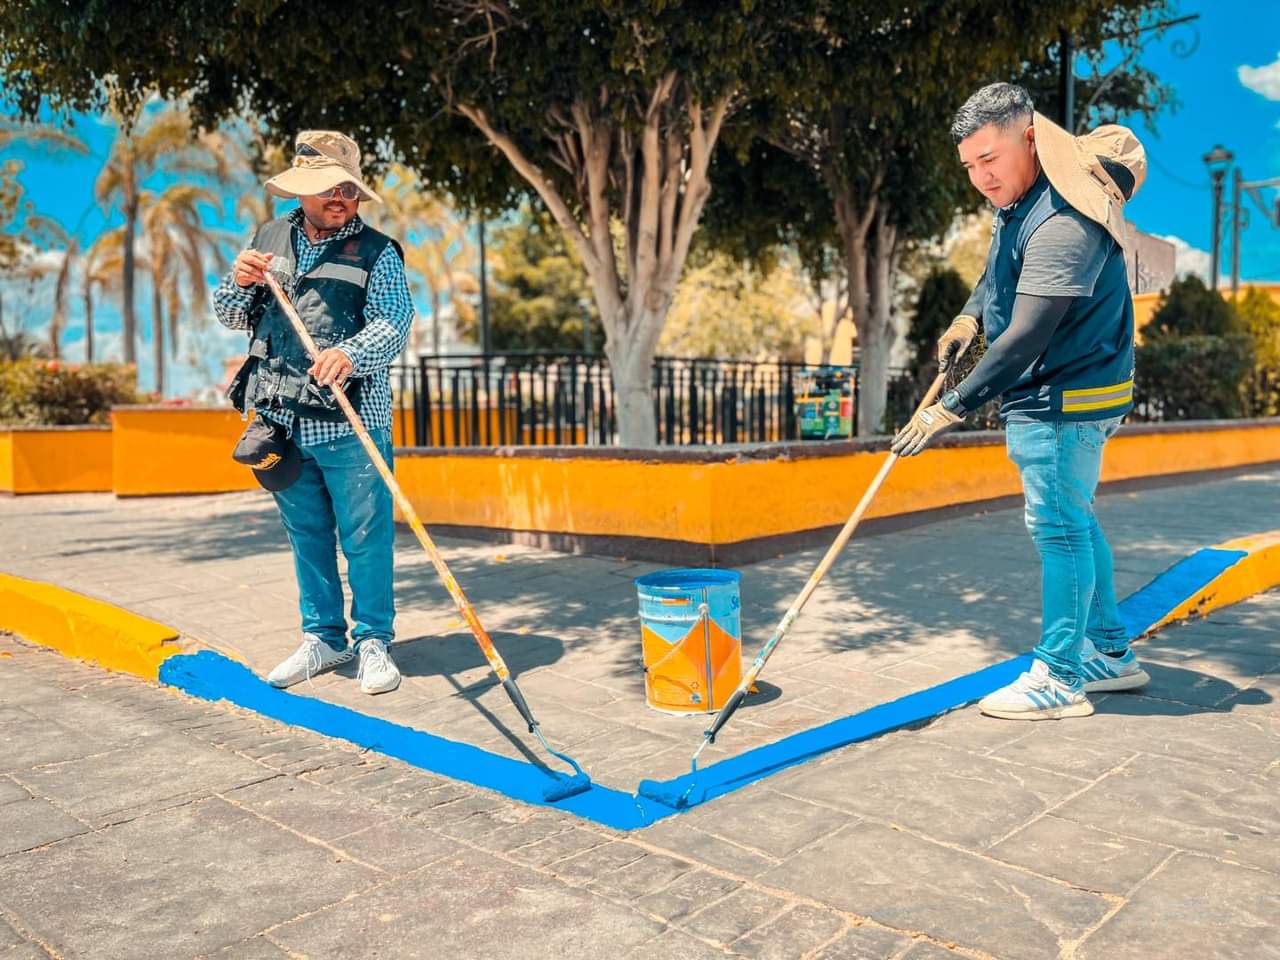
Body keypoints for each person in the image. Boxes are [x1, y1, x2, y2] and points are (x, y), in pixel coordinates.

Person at [891, 82, 1151, 720]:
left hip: (1064, 396)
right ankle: (1112, 654)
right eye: (970, 165)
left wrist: (951, 405)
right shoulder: (1024, 197)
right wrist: (967, 318)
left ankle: (1060, 676)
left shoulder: (1065, 219)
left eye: (990, 159)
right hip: (1066, 388)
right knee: (1076, 518)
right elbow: (999, 272)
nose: (981, 177)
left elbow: (1029, 332)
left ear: (1029, 139)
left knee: (1059, 526)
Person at [214, 130, 413, 695]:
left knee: (367, 535)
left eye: (348, 188)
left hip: (352, 419)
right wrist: (239, 280)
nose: (340, 197)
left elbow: (394, 322)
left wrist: (350, 353)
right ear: (303, 190)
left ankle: (374, 639)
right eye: (328, 187)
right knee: (306, 532)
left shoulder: (378, 251)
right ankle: (324, 639)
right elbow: (231, 315)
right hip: (281, 417)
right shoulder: (268, 239)